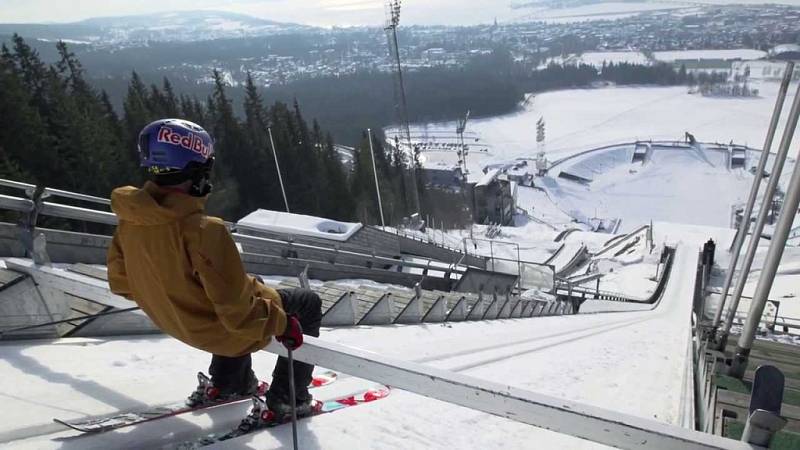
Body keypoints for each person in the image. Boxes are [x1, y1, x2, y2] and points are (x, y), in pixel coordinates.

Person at [106, 118, 322, 417]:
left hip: (177, 323)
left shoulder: (132, 220)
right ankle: (289, 398)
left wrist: (173, 291)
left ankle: (230, 381)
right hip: (221, 333)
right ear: (198, 171)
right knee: (308, 303)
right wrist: (286, 325)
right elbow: (240, 315)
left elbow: (121, 284)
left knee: (245, 284)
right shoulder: (204, 231)